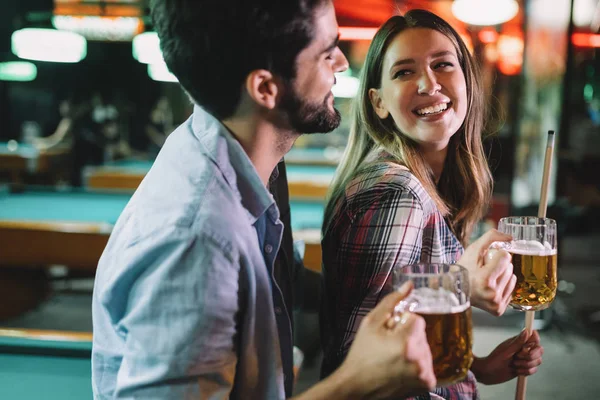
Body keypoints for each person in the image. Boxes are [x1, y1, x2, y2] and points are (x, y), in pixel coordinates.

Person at [91, 1, 437, 399]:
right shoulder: (197, 241)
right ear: (265, 89)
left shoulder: (248, 160)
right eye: (327, 52)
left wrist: (436, 290)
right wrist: (354, 382)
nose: (342, 63)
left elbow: (284, 282)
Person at [320, 10, 544, 399]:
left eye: (442, 64)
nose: (429, 83)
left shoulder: (424, 183)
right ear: (378, 103)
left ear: (467, 82)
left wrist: (475, 368)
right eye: (404, 72)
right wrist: (457, 285)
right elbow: (358, 363)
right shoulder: (397, 191)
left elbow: (406, 332)